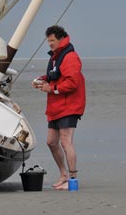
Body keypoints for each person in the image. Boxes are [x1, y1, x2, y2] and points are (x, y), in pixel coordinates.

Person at [32, 25, 86, 190]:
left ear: (61, 39)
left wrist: (52, 89)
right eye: (48, 41)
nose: (50, 44)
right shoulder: (55, 57)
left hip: (70, 106)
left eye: (52, 40)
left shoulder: (70, 57)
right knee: (51, 142)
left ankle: (73, 180)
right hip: (56, 106)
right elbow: (54, 75)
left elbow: (72, 82)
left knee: (65, 142)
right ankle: (63, 174)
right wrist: (41, 80)